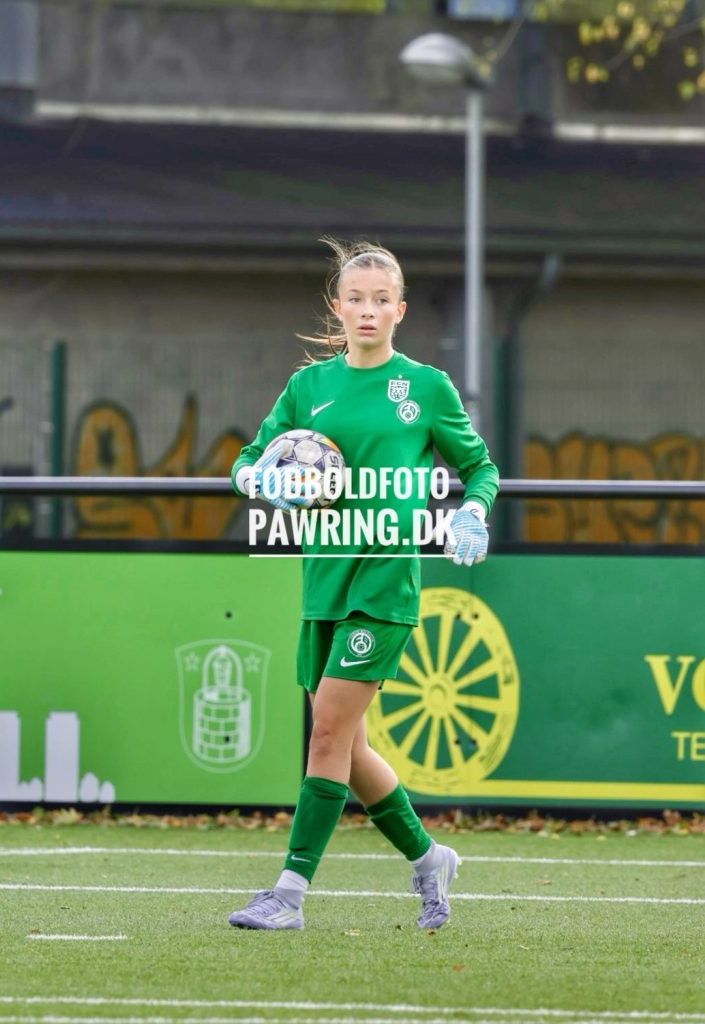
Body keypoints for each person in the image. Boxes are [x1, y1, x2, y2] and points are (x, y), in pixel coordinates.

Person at [228, 239, 499, 931]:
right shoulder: (307, 388)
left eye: (382, 299)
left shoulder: (426, 388)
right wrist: (262, 480)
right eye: (356, 299)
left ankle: (288, 894)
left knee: (325, 735)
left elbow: (480, 467)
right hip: (323, 582)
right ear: (338, 308)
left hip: (383, 585)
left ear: (400, 310)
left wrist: (471, 511)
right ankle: (429, 858)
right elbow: (248, 460)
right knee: (347, 748)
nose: (368, 309)